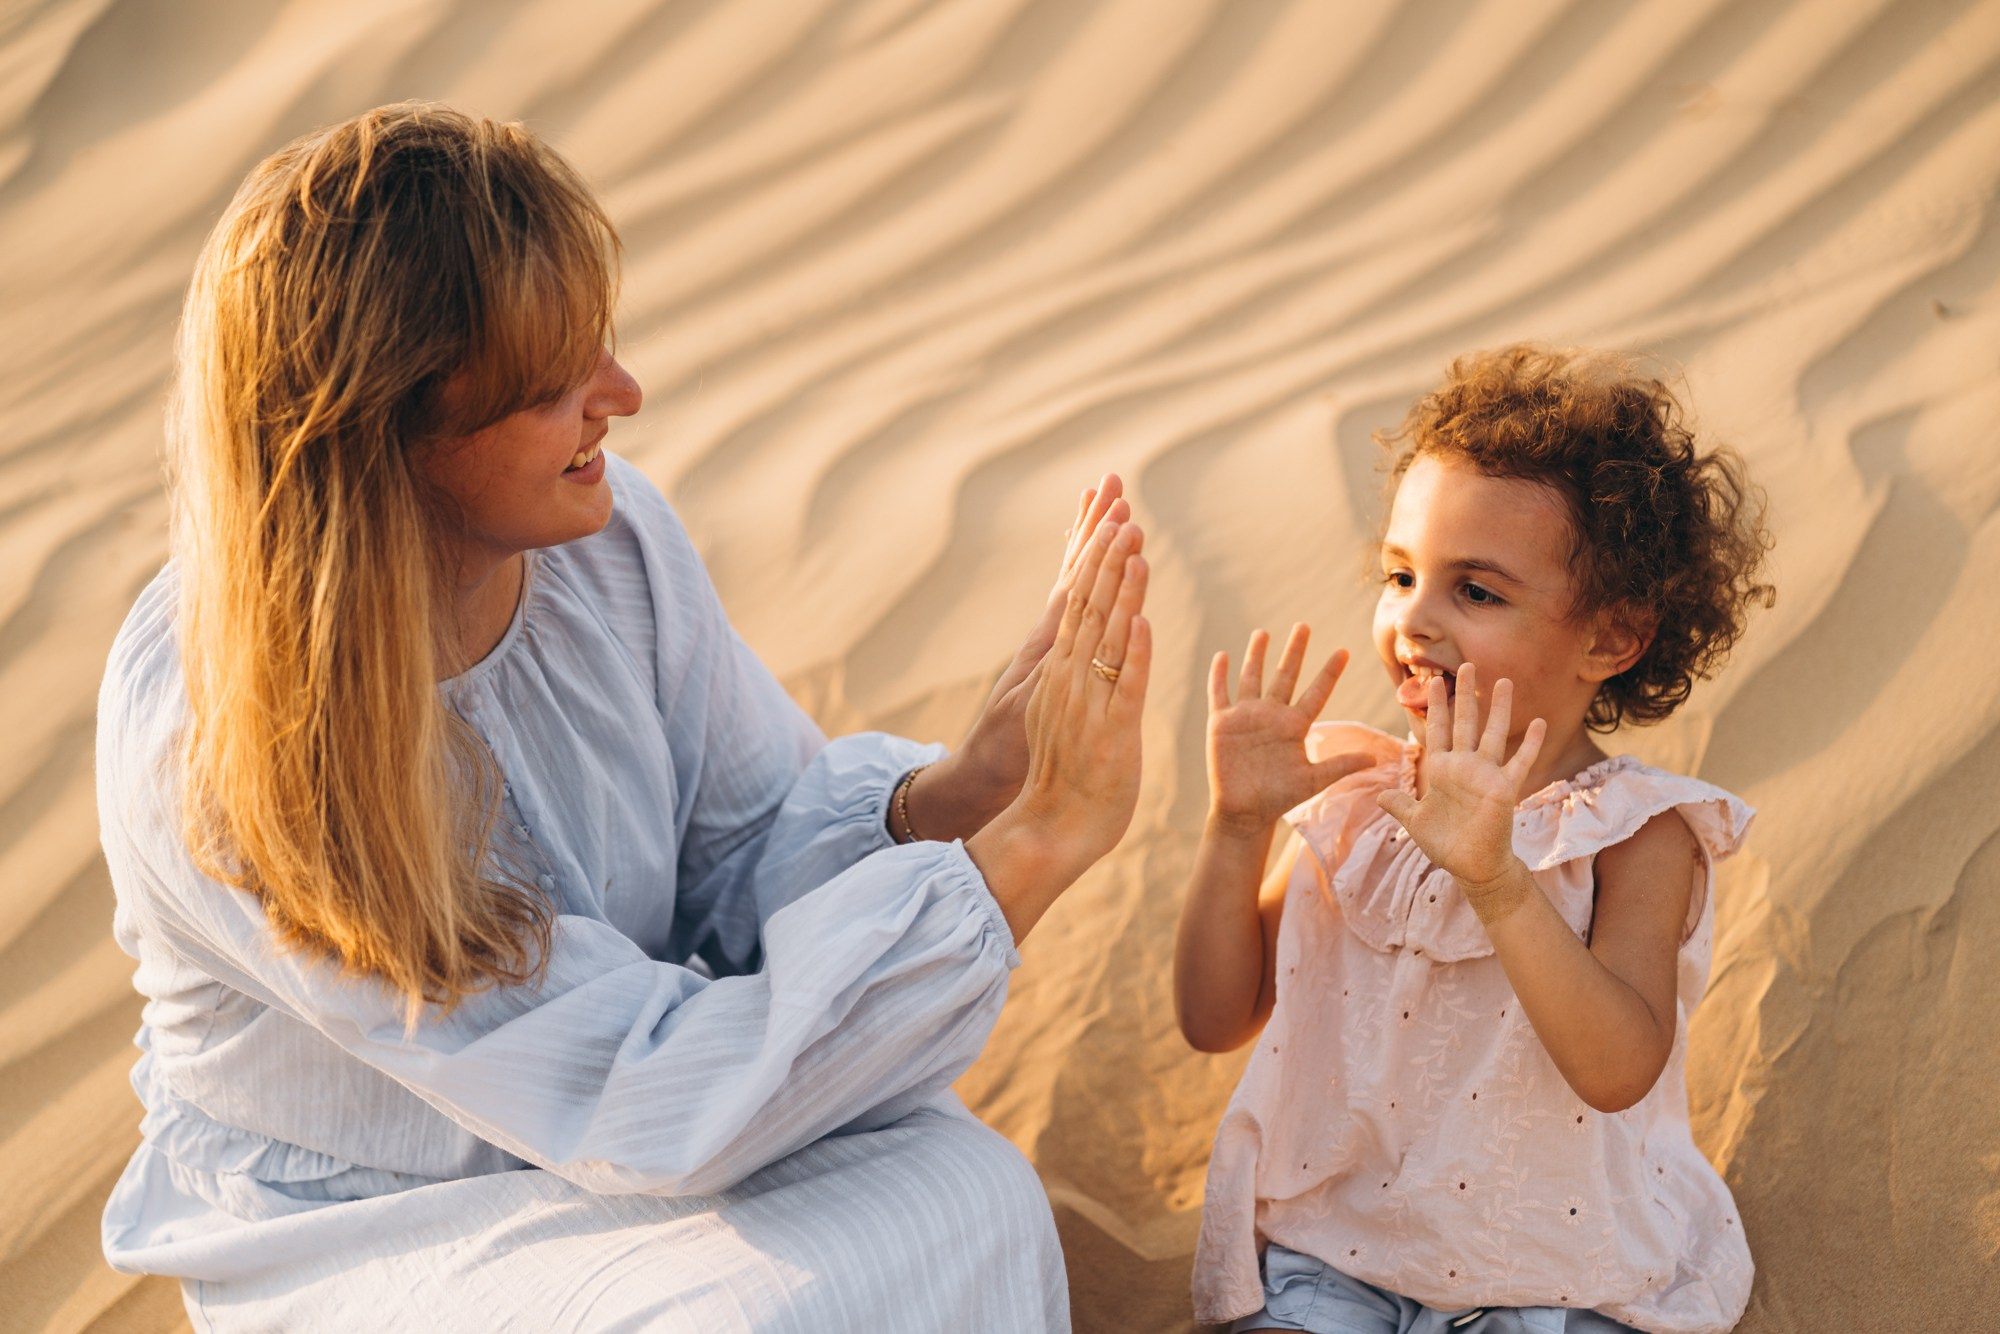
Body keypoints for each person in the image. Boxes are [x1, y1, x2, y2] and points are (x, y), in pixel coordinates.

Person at [96, 102, 1153, 1333]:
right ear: (388, 433)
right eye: (554, 385)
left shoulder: (609, 539)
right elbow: (631, 1088)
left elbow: (746, 845)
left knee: (966, 1193)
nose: (624, 394)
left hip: (647, 1122)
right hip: (374, 1218)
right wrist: (1024, 857)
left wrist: (961, 792)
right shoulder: (227, 734)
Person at [1174, 345, 1774, 1334]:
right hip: (1338, 1251)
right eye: (1399, 573)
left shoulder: (1632, 833)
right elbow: (1213, 1013)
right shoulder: (1358, 796)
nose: (1414, 619)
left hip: (1548, 1269)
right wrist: (1236, 828)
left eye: (1476, 592)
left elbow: (1617, 1063)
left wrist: (1495, 877)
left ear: (1610, 639)